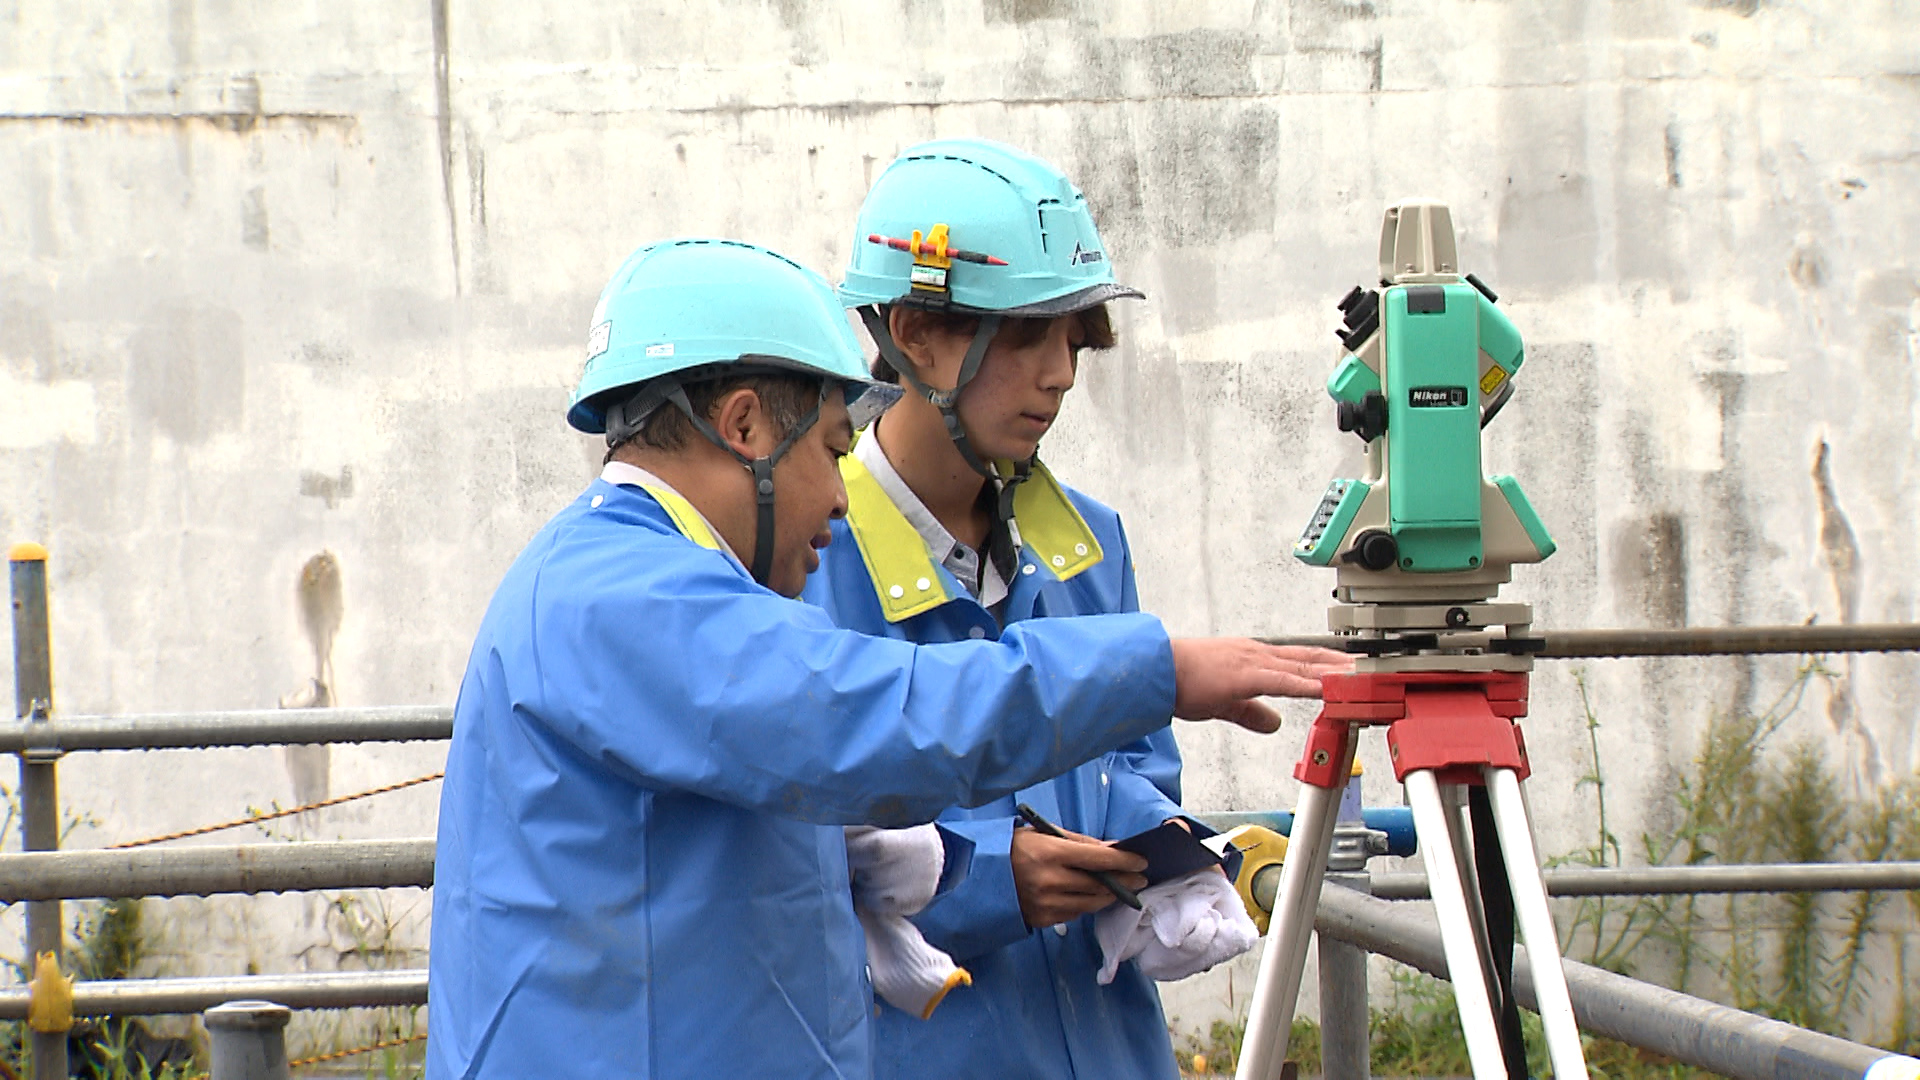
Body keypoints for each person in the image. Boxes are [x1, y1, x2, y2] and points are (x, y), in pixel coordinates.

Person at [426, 237, 1338, 1080]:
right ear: (744, 426)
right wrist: (1157, 672)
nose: (838, 496)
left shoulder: (632, 579)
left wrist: (925, 861)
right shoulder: (625, 595)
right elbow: (871, 717)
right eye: (831, 450)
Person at [808, 138, 1345, 1080]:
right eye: (1026, 335)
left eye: (1075, 337)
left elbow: (1134, 769)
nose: (1060, 372)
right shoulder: (809, 563)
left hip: (1109, 1050)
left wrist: (1164, 859)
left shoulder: (1088, 543)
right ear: (912, 333)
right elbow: (789, 869)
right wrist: (985, 879)